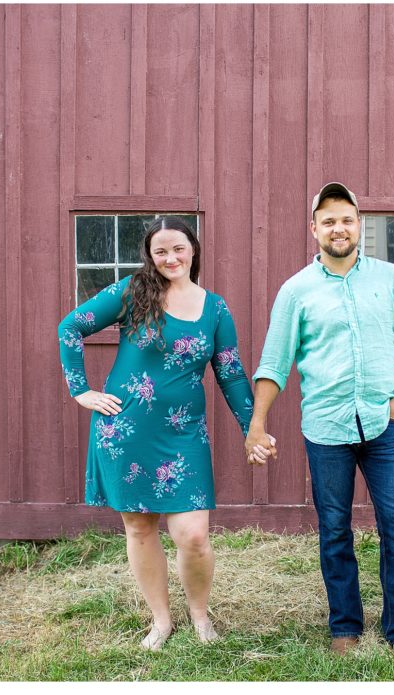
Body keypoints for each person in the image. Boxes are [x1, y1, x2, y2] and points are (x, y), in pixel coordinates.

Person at [58, 216, 274, 651]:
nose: (170, 258)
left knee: (193, 535)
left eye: (178, 248)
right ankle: (161, 620)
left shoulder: (215, 308)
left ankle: (199, 614)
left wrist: (253, 429)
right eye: (160, 251)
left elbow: (230, 374)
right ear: (150, 256)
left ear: (193, 250)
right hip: (125, 430)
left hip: (183, 437)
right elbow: (71, 328)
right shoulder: (132, 293)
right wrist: (81, 391)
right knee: (139, 529)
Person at [244, 182, 394, 660]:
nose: (339, 228)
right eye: (328, 220)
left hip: (383, 425)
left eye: (347, 219)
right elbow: (273, 361)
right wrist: (256, 423)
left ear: (359, 226)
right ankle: (345, 624)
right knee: (334, 530)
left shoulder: (391, 278)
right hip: (326, 430)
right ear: (314, 230)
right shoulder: (296, 291)